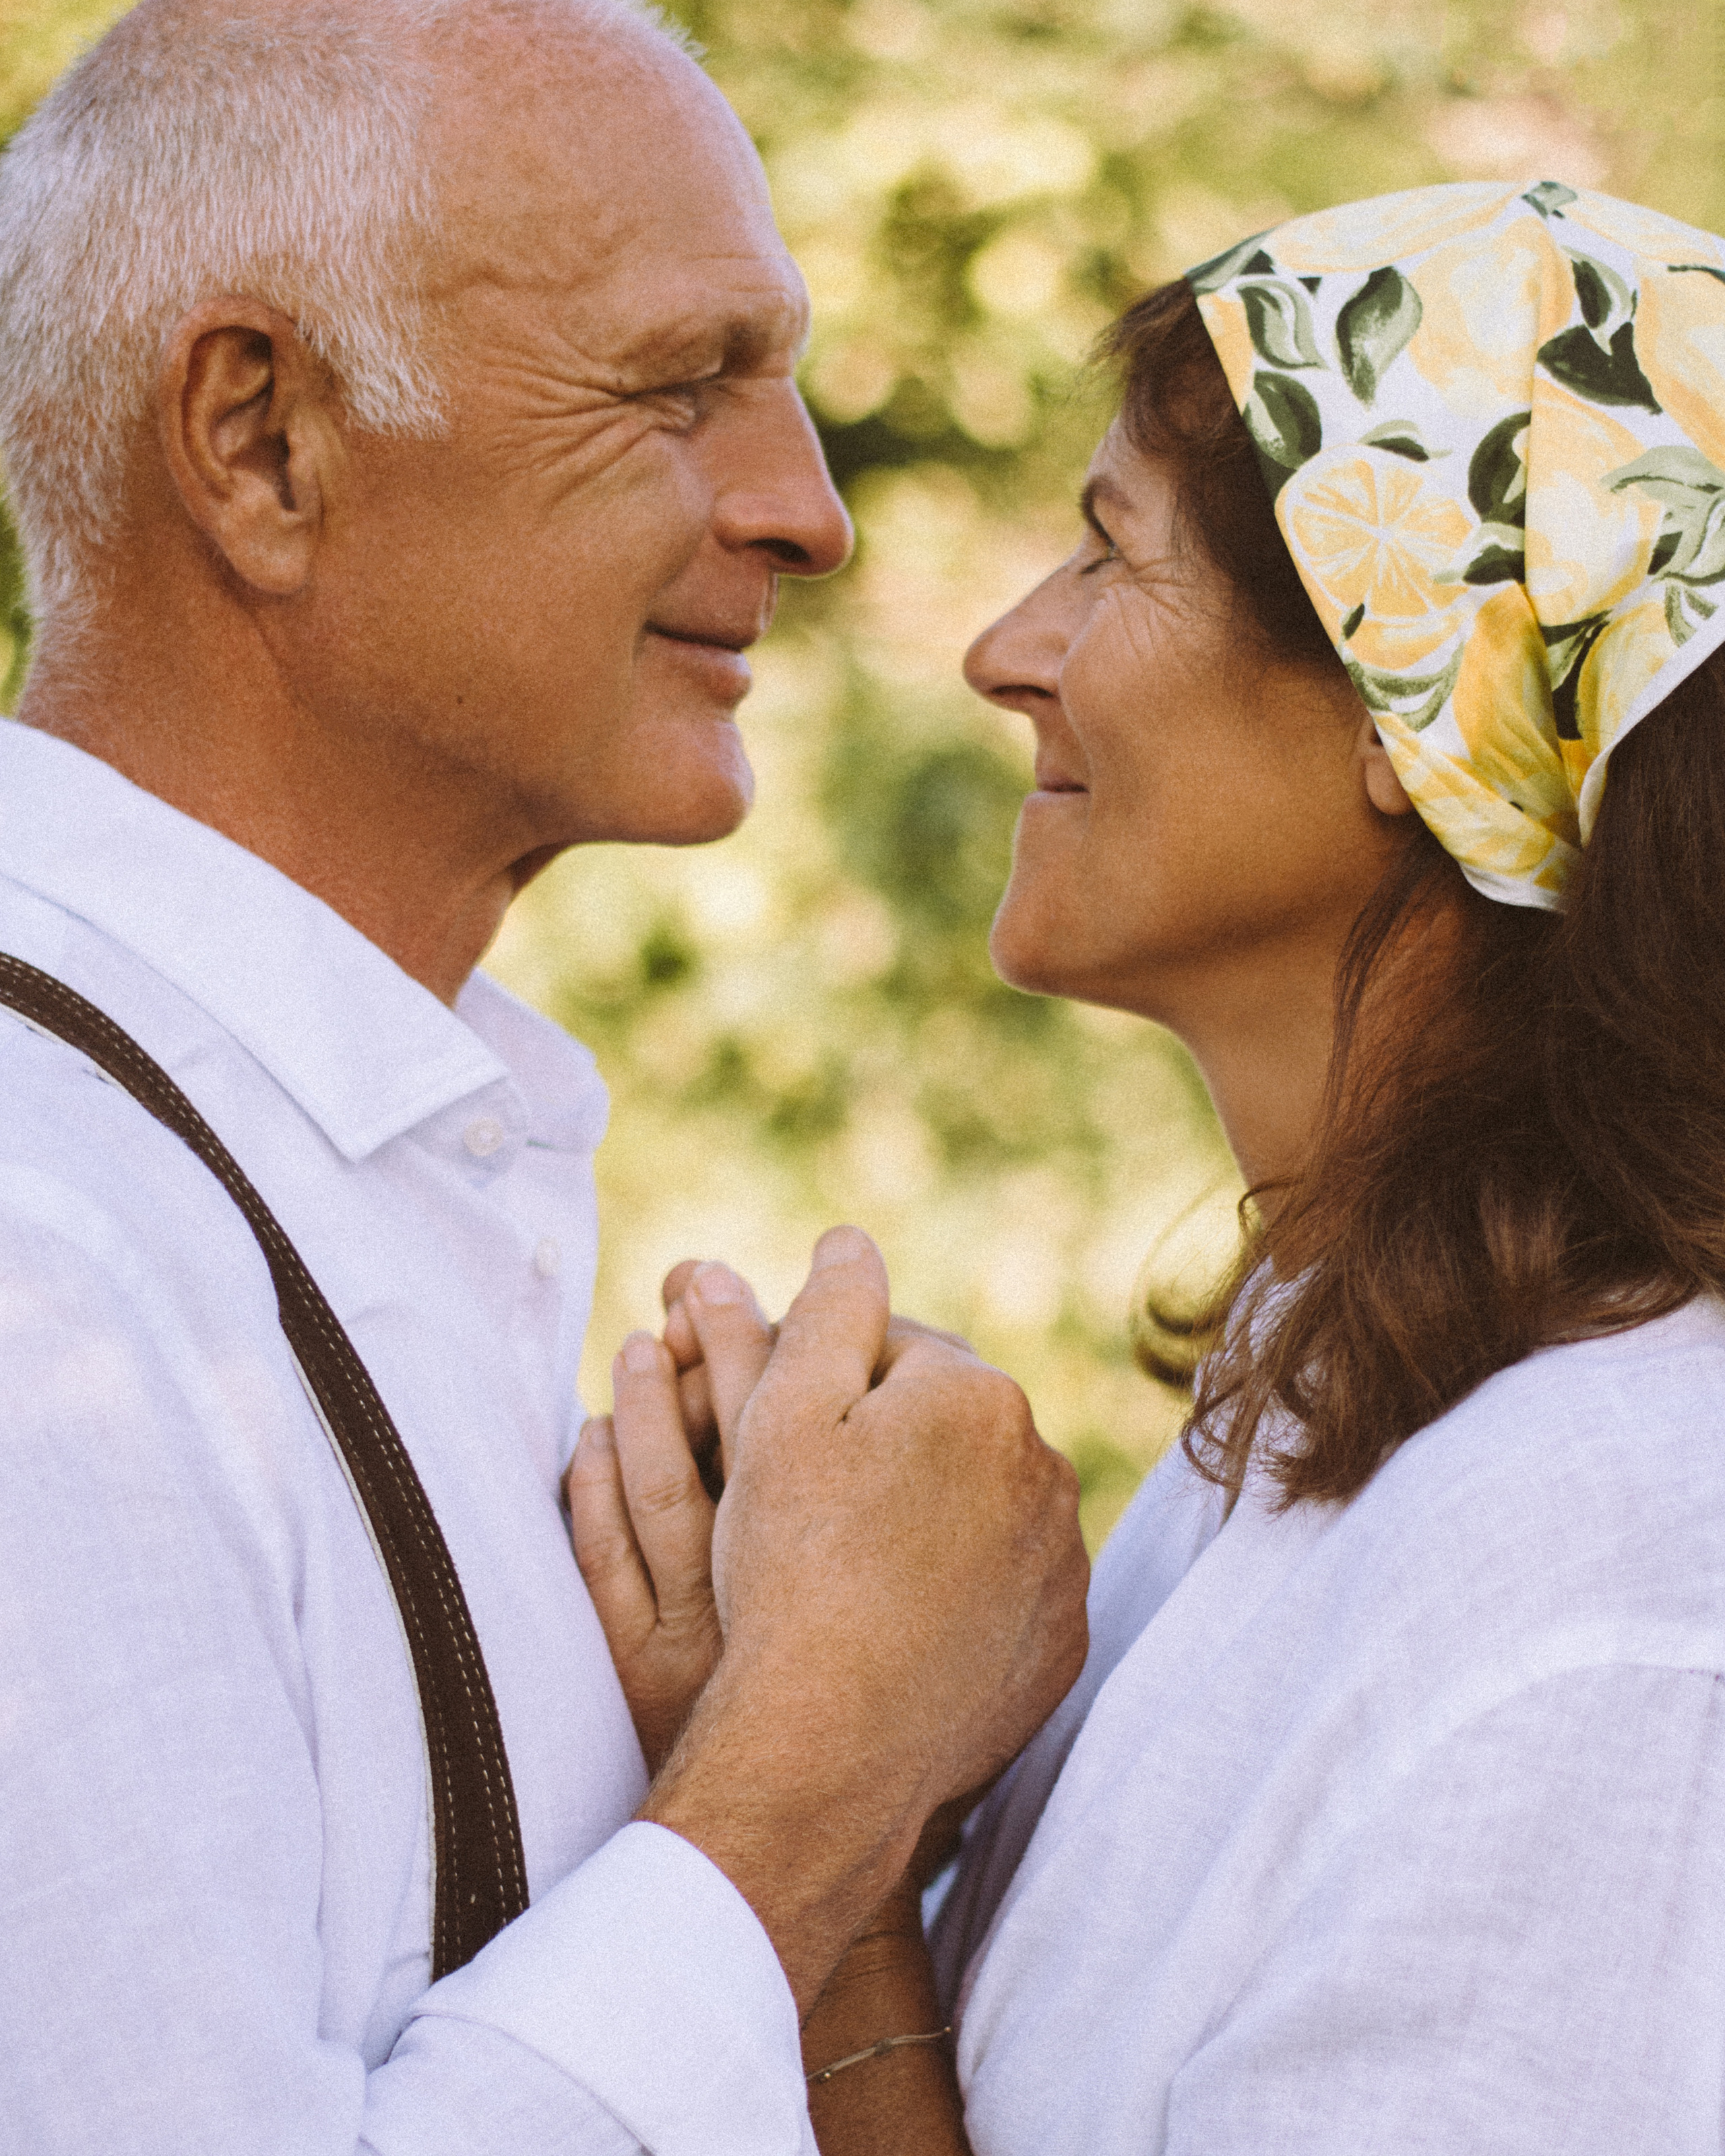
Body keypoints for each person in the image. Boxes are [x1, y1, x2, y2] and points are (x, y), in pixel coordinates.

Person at [0, 5, 1091, 2152]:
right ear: (261, 443)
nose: (810, 514)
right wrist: (818, 1774)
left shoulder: (276, 1158)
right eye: (679, 386)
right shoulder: (44, 1246)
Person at [586, 179, 1725, 2152]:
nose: (1005, 651)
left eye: (1110, 553)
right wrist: (899, 1694)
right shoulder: (1335, 1408)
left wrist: (822, 1826)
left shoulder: (1606, 1582)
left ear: (1412, 702)